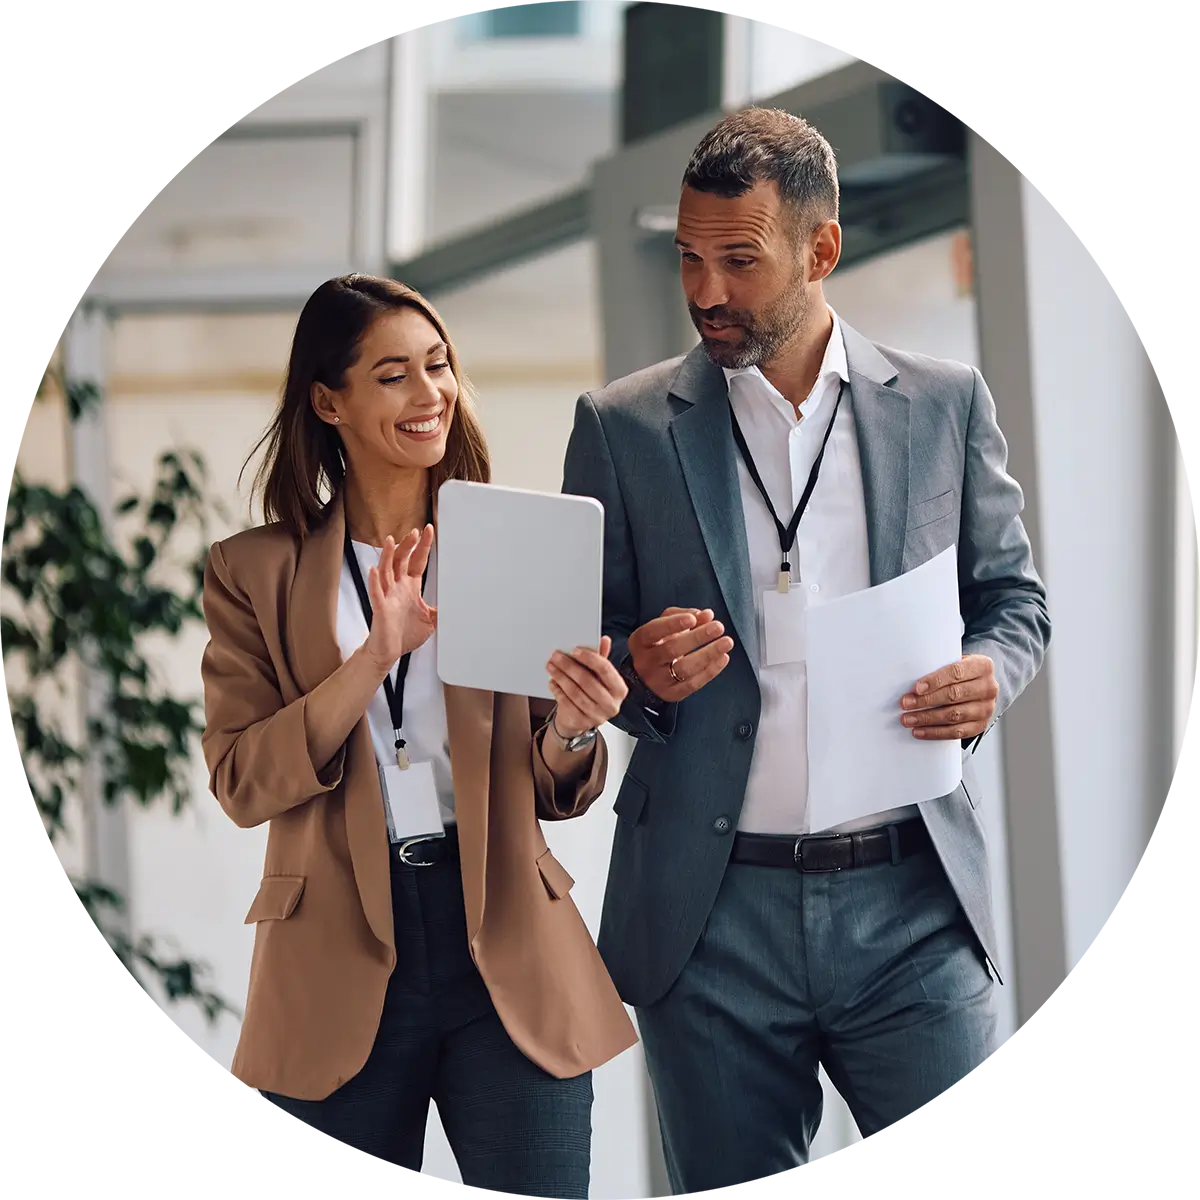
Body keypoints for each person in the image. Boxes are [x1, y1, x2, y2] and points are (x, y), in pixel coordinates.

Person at [561, 107, 1051, 1192]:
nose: (705, 292)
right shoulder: (623, 426)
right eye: (690, 257)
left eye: (739, 259)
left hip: (911, 906)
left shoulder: (943, 403)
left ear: (821, 250)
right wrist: (637, 673)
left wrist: (991, 676)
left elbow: (1014, 601)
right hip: (708, 912)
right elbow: (578, 649)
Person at [199, 274, 637, 1198]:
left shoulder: (513, 543)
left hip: (507, 941)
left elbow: (555, 785)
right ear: (330, 401)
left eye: (438, 367)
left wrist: (573, 726)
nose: (429, 393)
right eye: (393, 374)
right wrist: (372, 658)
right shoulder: (255, 573)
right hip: (335, 954)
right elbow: (241, 780)